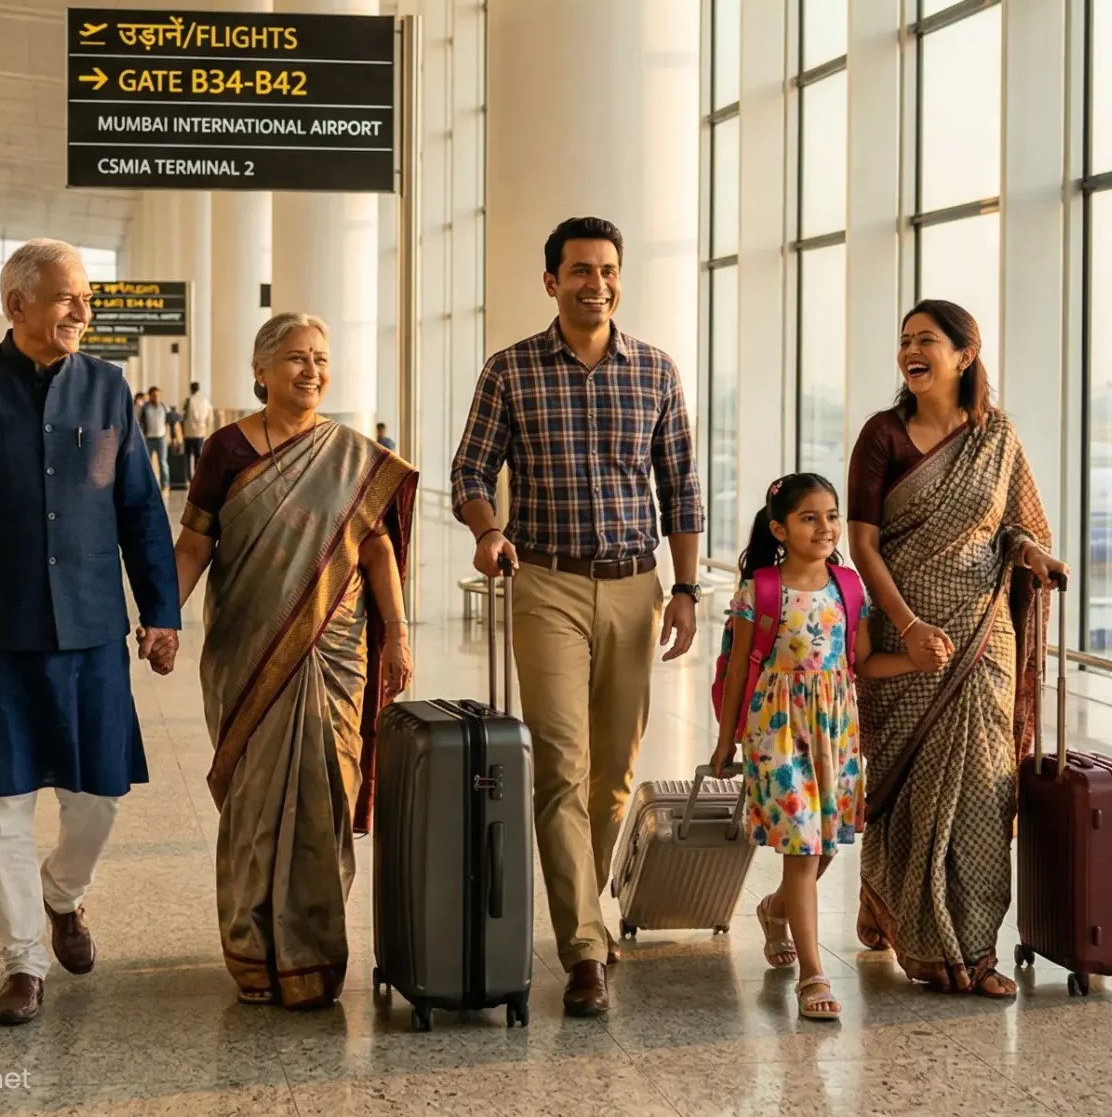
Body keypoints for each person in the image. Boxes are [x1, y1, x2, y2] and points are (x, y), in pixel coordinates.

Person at [0, 238, 180, 1028]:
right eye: (65, 297)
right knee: (1, 803)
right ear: (17, 304)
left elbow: (141, 512)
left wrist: (162, 612)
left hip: (89, 629)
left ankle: (63, 894)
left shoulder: (108, 389)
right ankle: (22, 959)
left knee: (101, 797)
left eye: (86, 297)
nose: (82, 311)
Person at [450, 215, 704, 1018]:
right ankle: (584, 948)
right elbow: (469, 469)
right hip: (547, 583)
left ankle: (581, 908)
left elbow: (683, 487)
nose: (596, 282)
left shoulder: (656, 371)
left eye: (607, 269)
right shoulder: (512, 370)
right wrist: (489, 529)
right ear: (551, 280)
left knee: (614, 778)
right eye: (580, 270)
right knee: (559, 765)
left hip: (636, 587)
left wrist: (689, 588)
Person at [171, 314, 413, 1008]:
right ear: (262, 370)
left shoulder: (351, 455)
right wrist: (163, 618)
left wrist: (396, 633)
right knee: (253, 802)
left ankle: (311, 955)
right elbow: (194, 545)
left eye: (321, 359)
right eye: (297, 358)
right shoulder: (225, 449)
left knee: (323, 798)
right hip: (247, 651)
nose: (312, 371)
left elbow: (376, 551)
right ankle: (251, 949)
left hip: (333, 654)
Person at [847, 299, 1065, 999]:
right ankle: (915, 932)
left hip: (982, 637)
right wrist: (907, 625)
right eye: (904, 339)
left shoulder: (996, 435)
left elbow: (1017, 526)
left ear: (965, 355)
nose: (911, 351)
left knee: (980, 794)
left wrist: (1032, 552)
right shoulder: (882, 435)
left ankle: (972, 949)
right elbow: (863, 544)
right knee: (909, 791)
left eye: (927, 341)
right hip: (908, 638)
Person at [707, 474, 910, 1023]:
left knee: (823, 849)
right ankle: (813, 975)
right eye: (808, 518)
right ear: (779, 528)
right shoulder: (761, 591)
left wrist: (915, 659)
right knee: (801, 848)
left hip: (835, 730)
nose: (825, 527)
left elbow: (862, 663)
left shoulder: (849, 587)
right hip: (775, 729)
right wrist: (726, 742)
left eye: (831, 515)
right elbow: (737, 675)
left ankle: (775, 911)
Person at [137, 384, 170, 485]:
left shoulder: (164, 407)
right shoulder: (145, 408)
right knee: (147, 463)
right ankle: (148, 484)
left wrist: (169, 436)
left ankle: (165, 484)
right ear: (150, 396)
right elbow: (140, 422)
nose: (156, 397)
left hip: (161, 438)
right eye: (154, 395)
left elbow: (168, 423)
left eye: (158, 395)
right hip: (149, 439)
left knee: (163, 462)